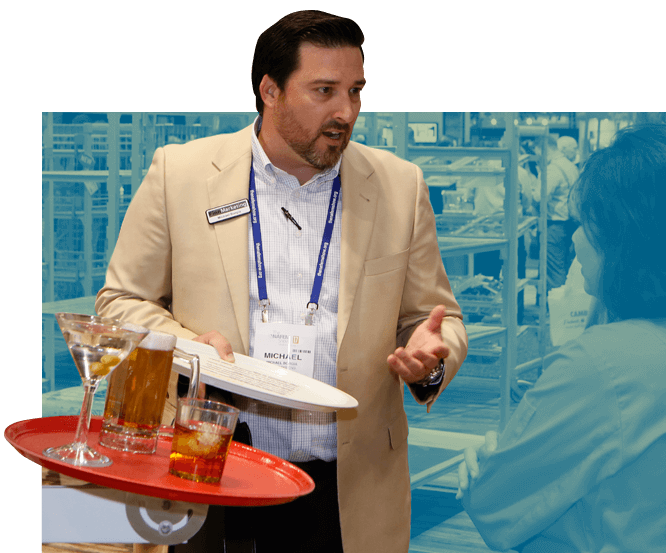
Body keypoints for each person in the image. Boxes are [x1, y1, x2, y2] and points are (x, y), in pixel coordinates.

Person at [95, 10, 468, 553]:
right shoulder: (181, 174)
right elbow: (120, 302)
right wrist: (187, 348)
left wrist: (431, 359)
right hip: (213, 472)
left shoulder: (398, 186)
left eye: (356, 91)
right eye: (324, 91)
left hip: (348, 490)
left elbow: (437, 318)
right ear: (270, 90)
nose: (346, 112)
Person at [456, 124, 666, 552]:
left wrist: (492, 461)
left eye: (587, 224)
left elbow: (494, 502)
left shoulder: (600, 363)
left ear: (624, 239)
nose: (574, 237)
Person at [532, 134, 579, 291]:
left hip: (555, 226)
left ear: (541, 149)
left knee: (554, 270)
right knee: (564, 266)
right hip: (569, 224)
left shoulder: (553, 169)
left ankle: (553, 310)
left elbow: (539, 197)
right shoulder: (570, 166)